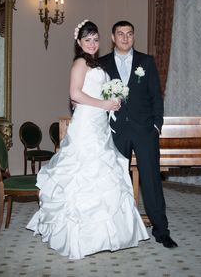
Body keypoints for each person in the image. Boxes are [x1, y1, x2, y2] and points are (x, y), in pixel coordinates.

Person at [26, 20, 149, 260]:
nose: (92, 44)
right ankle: (79, 237)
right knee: (83, 172)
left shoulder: (97, 64)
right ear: (79, 43)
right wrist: (103, 103)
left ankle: (106, 235)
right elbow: (74, 93)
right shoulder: (80, 62)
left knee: (104, 171)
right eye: (87, 40)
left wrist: (113, 99)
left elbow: (87, 93)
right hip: (85, 125)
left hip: (99, 124)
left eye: (95, 39)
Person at [98, 20, 177, 249]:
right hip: (115, 132)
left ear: (134, 36)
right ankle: (115, 230)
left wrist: (156, 127)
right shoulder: (101, 64)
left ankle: (162, 231)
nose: (125, 38)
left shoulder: (146, 61)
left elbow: (156, 97)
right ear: (112, 37)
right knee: (113, 182)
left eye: (129, 34)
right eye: (120, 34)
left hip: (144, 132)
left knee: (152, 182)